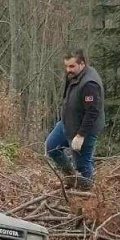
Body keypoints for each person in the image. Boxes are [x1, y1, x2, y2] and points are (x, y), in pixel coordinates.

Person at [45, 51, 105, 189]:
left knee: (82, 165)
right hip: (68, 122)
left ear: (82, 64)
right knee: (52, 147)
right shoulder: (74, 75)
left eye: (72, 66)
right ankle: (71, 178)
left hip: (85, 128)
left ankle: (86, 193)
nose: (68, 70)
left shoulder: (89, 84)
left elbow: (92, 112)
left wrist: (81, 135)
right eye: (66, 66)